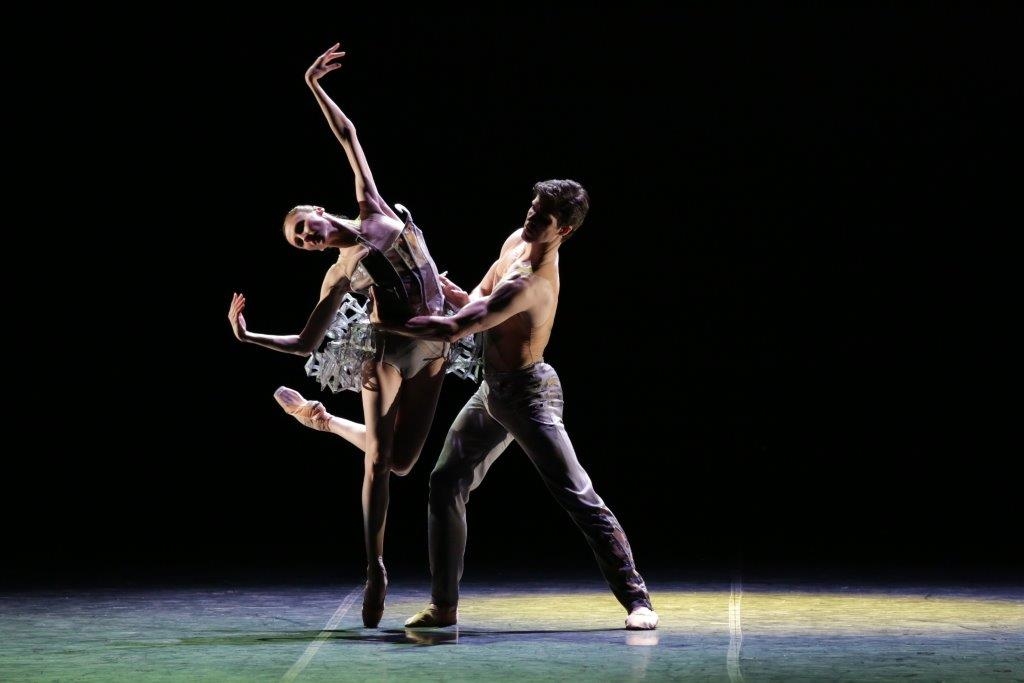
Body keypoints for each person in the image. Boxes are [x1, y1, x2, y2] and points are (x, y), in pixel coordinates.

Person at [226, 43, 452, 629]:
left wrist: (313, 84)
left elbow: (349, 135)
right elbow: (307, 343)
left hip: (436, 347)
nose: (306, 238)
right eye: (299, 241)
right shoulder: (339, 273)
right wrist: (249, 337)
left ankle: (323, 421)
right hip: (387, 351)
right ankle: (375, 568)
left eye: (305, 227)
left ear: (321, 212)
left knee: (404, 463)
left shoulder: (373, 208)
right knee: (379, 461)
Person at [372, 179, 660, 630]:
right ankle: (444, 606)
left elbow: (455, 329)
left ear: (563, 230)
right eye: (532, 205)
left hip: (529, 396)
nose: (531, 216)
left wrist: (387, 323)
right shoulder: (515, 242)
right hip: (493, 390)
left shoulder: (532, 283)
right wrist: (453, 296)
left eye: (543, 216)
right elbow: (478, 298)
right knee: (445, 482)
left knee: (578, 496)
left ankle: (638, 600)